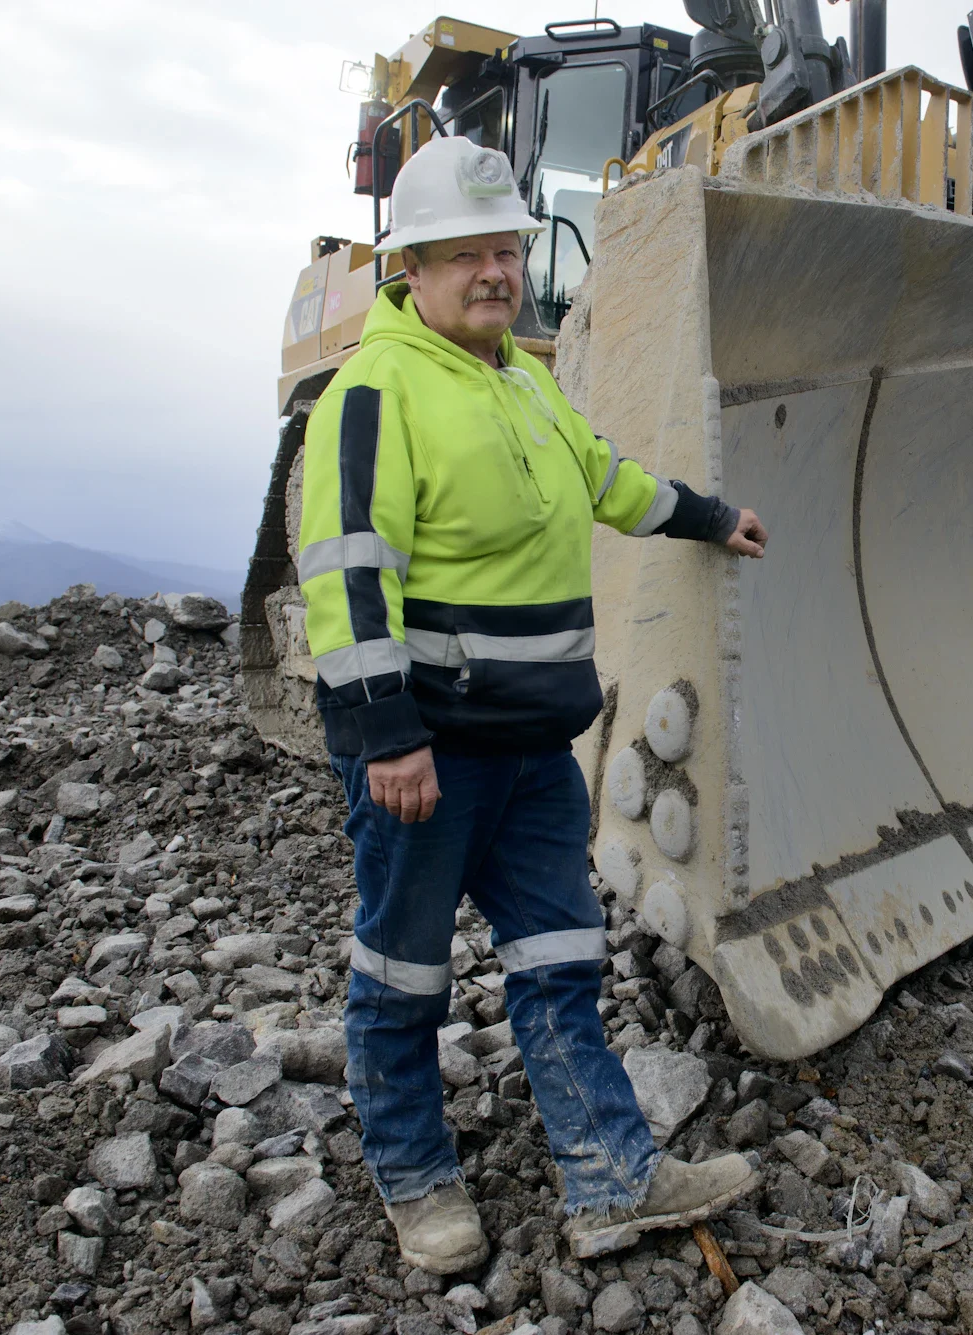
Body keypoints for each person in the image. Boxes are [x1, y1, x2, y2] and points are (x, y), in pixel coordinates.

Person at [297, 132, 770, 1273]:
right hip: (431, 758)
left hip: (531, 753)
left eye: (504, 248)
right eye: (463, 254)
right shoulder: (374, 392)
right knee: (401, 973)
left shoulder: (523, 382)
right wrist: (387, 740)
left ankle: (609, 1179)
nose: (493, 272)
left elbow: (604, 476)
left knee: (559, 962)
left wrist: (706, 516)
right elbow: (347, 577)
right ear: (408, 267)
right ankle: (416, 1181)